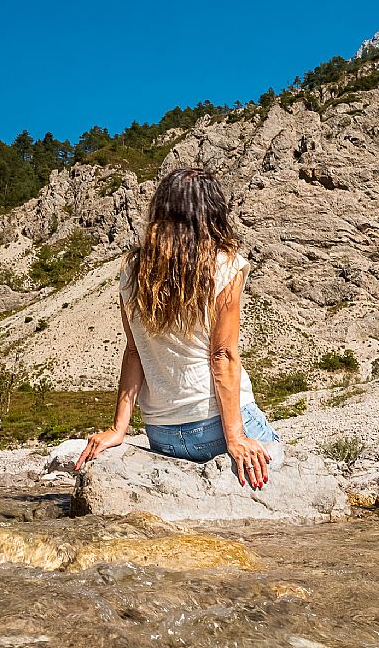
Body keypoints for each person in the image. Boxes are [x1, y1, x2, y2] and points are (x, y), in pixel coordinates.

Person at [74, 167, 277, 488]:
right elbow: (222, 355)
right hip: (218, 429)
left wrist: (118, 430)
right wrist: (236, 437)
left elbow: (134, 352)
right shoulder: (227, 264)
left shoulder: (132, 270)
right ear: (213, 212)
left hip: (163, 435)